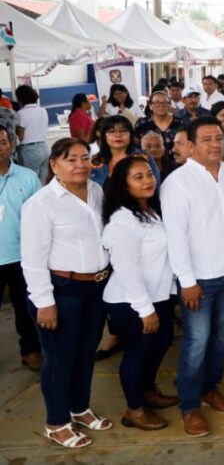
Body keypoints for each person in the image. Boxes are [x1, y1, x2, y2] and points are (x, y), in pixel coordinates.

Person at [21, 139, 111, 449]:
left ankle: (79, 408)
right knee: (59, 358)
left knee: (86, 352)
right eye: (70, 159)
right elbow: (32, 259)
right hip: (62, 291)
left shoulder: (96, 191)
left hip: (96, 287)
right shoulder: (41, 204)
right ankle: (56, 422)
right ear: (54, 165)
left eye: (85, 158)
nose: (80, 164)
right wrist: (44, 303)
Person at [161, 117, 224, 436]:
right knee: (196, 341)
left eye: (219, 138)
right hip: (199, 278)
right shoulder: (178, 182)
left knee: (220, 337)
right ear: (191, 146)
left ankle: (210, 388)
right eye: (206, 139)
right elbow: (176, 236)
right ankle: (189, 406)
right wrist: (187, 281)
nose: (215, 144)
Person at [101, 157, 177, 431]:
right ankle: (134, 410)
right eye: (138, 177)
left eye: (149, 174)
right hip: (130, 301)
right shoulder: (123, 220)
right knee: (137, 352)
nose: (148, 181)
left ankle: (147, 391)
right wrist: (145, 309)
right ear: (123, 184)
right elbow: (127, 269)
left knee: (160, 342)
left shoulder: (151, 210)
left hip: (159, 295)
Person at [0, 127, 42, 371]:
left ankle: (31, 350)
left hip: (22, 256)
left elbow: (40, 219)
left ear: (12, 144)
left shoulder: (28, 177)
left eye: (3, 142)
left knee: (25, 308)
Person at [91, 115, 160, 187]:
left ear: (131, 135)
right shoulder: (95, 162)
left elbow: (155, 187)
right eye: (112, 131)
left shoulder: (144, 157)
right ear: (104, 136)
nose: (118, 135)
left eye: (123, 131)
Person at [134, 91, 184, 170]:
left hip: (177, 168)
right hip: (148, 168)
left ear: (169, 105)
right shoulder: (142, 123)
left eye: (164, 102)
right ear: (150, 106)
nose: (161, 105)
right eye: (157, 102)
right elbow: (135, 145)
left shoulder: (179, 123)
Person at [15, 85, 49, 180]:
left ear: (20, 99)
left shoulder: (21, 113)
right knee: (43, 181)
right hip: (44, 147)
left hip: (29, 150)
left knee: (30, 180)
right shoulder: (43, 111)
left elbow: (20, 136)